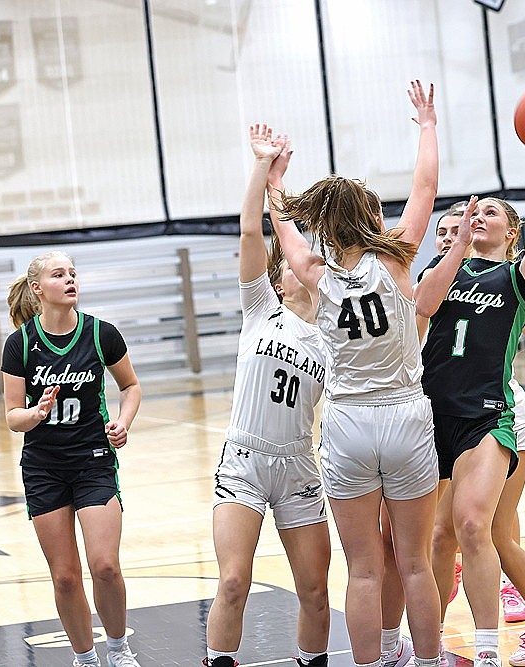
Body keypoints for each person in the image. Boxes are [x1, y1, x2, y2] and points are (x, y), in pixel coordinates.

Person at [269, 80, 442, 667]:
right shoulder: (396, 259)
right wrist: (426, 124)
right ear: (370, 216)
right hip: (405, 414)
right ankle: (424, 660)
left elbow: (286, 234)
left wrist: (274, 185)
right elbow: (426, 186)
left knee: (364, 569)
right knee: (415, 564)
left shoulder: (315, 273)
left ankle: (368, 664)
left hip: (346, 423)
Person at [416, 127, 525, 667]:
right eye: (474, 211)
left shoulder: (515, 279)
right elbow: (419, 306)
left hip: (487, 415)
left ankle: (488, 651)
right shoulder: (442, 269)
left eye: (491, 212)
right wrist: (455, 244)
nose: (478, 216)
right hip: (432, 416)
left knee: (473, 527)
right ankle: (436, 645)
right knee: (439, 540)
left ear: (510, 232)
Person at [203, 126, 331, 667]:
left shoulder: (332, 337)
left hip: (300, 464)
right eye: (298, 259)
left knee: (317, 592)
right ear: (280, 279)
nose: (310, 262)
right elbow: (251, 236)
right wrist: (264, 169)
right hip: (247, 460)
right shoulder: (261, 312)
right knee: (233, 582)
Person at [2, 251, 142, 667]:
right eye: (58, 274)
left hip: (93, 459)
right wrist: (36, 413)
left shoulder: (101, 334)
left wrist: (123, 422)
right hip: (44, 467)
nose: (69, 280)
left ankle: (118, 650)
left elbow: (131, 386)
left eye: (73, 273)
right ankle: (85, 658)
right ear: (37, 288)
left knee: (105, 566)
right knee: (65, 577)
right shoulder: (20, 344)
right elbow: (12, 416)